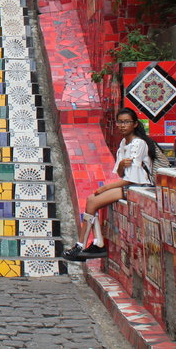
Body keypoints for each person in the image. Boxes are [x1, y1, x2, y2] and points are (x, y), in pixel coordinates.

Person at [64, 108, 155, 261]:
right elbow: (121, 173)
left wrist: (105, 187)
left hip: (138, 186)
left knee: (93, 200)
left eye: (126, 122)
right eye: (120, 122)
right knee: (92, 200)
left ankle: (81, 246)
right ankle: (96, 243)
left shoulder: (138, 144)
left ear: (135, 124)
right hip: (129, 185)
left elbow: (133, 179)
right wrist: (120, 166)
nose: (122, 125)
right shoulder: (123, 143)